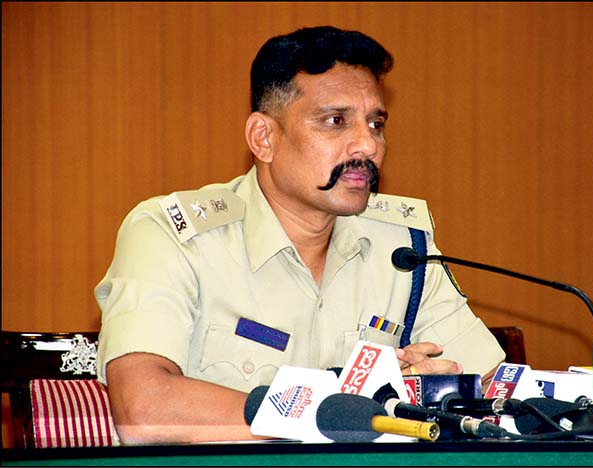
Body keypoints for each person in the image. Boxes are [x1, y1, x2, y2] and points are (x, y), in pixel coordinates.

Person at [94, 25, 505, 445]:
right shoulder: (172, 236)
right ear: (264, 138)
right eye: (335, 121)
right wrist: (340, 412)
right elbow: (145, 410)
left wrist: (438, 391)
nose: (368, 145)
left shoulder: (403, 248)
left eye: (375, 124)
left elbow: (499, 391)